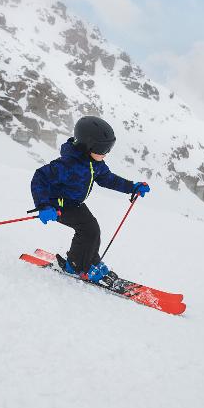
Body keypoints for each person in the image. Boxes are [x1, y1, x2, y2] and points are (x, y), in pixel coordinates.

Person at [31, 116, 150, 283]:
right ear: (87, 146)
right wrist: (43, 205)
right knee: (88, 230)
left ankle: (90, 261)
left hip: (74, 204)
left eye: (108, 149)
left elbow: (108, 179)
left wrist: (132, 187)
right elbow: (40, 177)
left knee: (93, 230)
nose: (106, 153)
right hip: (57, 205)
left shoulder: (95, 163)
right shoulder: (68, 164)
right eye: (103, 149)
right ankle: (75, 265)